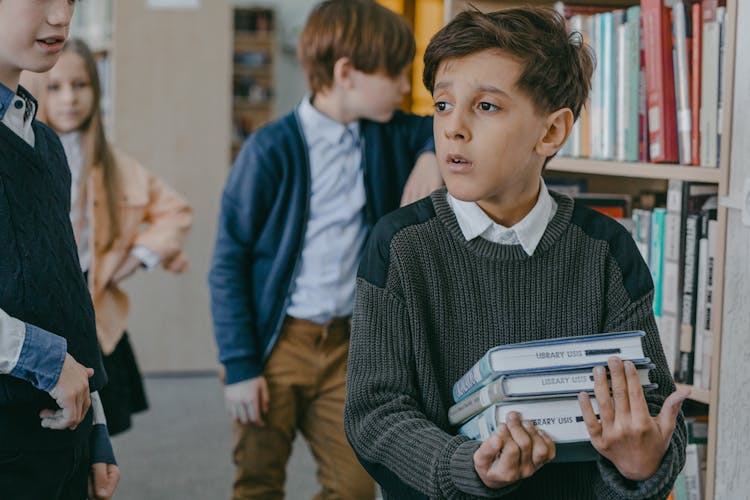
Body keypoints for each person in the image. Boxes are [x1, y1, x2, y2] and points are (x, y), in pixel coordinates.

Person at [344, 6, 689, 499]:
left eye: (486, 106)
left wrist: (641, 465)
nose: (453, 128)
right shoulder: (399, 246)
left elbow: (651, 410)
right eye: (443, 105)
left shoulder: (606, 251)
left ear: (550, 132)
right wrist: (469, 468)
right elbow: (374, 414)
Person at [208, 0, 442, 498]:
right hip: (277, 347)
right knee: (258, 480)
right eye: (397, 74)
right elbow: (229, 262)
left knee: (356, 486)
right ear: (346, 73)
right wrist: (241, 366)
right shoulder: (270, 150)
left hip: (349, 348)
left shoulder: (386, 133)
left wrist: (430, 155)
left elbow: (440, 127)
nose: (406, 89)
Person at [33, 38, 193, 436]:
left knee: (96, 424)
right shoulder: (26, 152)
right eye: (55, 87)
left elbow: (175, 210)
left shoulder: (113, 164)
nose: (69, 98)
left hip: (91, 310)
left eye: (81, 85)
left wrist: (139, 256)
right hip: (37, 308)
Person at [0, 1, 118, 498]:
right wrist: (44, 357)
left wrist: (97, 426)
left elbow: (65, 290)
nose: (59, 16)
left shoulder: (44, 143)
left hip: (60, 438)